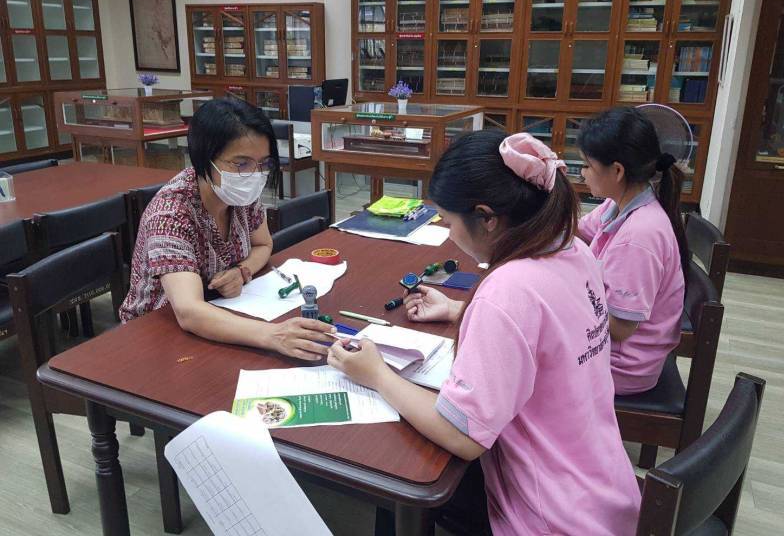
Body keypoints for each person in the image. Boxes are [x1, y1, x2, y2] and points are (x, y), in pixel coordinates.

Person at [328, 131, 641, 536]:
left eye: (450, 219)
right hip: (602, 489)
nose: (449, 230)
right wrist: (462, 309)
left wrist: (376, 374)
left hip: (549, 517)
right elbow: (547, 332)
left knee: (401, 483)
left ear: (487, 217)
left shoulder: (508, 290)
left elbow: (462, 435)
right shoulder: (572, 249)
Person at [120, 97, 336, 361]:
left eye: (264, 163)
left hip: (221, 314)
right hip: (157, 334)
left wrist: (242, 270)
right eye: (241, 163)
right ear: (205, 159)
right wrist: (274, 335)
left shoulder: (241, 195)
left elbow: (263, 245)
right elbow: (188, 311)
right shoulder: (171, 215)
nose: (255, 174)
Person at [576, 106, 688, 395]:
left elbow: (620, 327)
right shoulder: (618, 203)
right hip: (608, 347)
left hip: (621, 366)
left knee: (522, 355)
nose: (582, 173)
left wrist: (563, 298)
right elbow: (579, 230)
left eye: (587, 165)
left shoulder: (638, 238)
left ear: (616, 170)